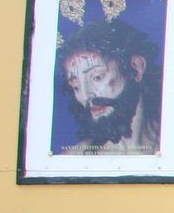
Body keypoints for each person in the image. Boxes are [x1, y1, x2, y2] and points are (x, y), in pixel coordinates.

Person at [56, 15, 163, 155]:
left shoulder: (172, 139)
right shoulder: (73, 159)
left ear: (136, 68)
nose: (86, 96)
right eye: (76, 86)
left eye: (97, 77)